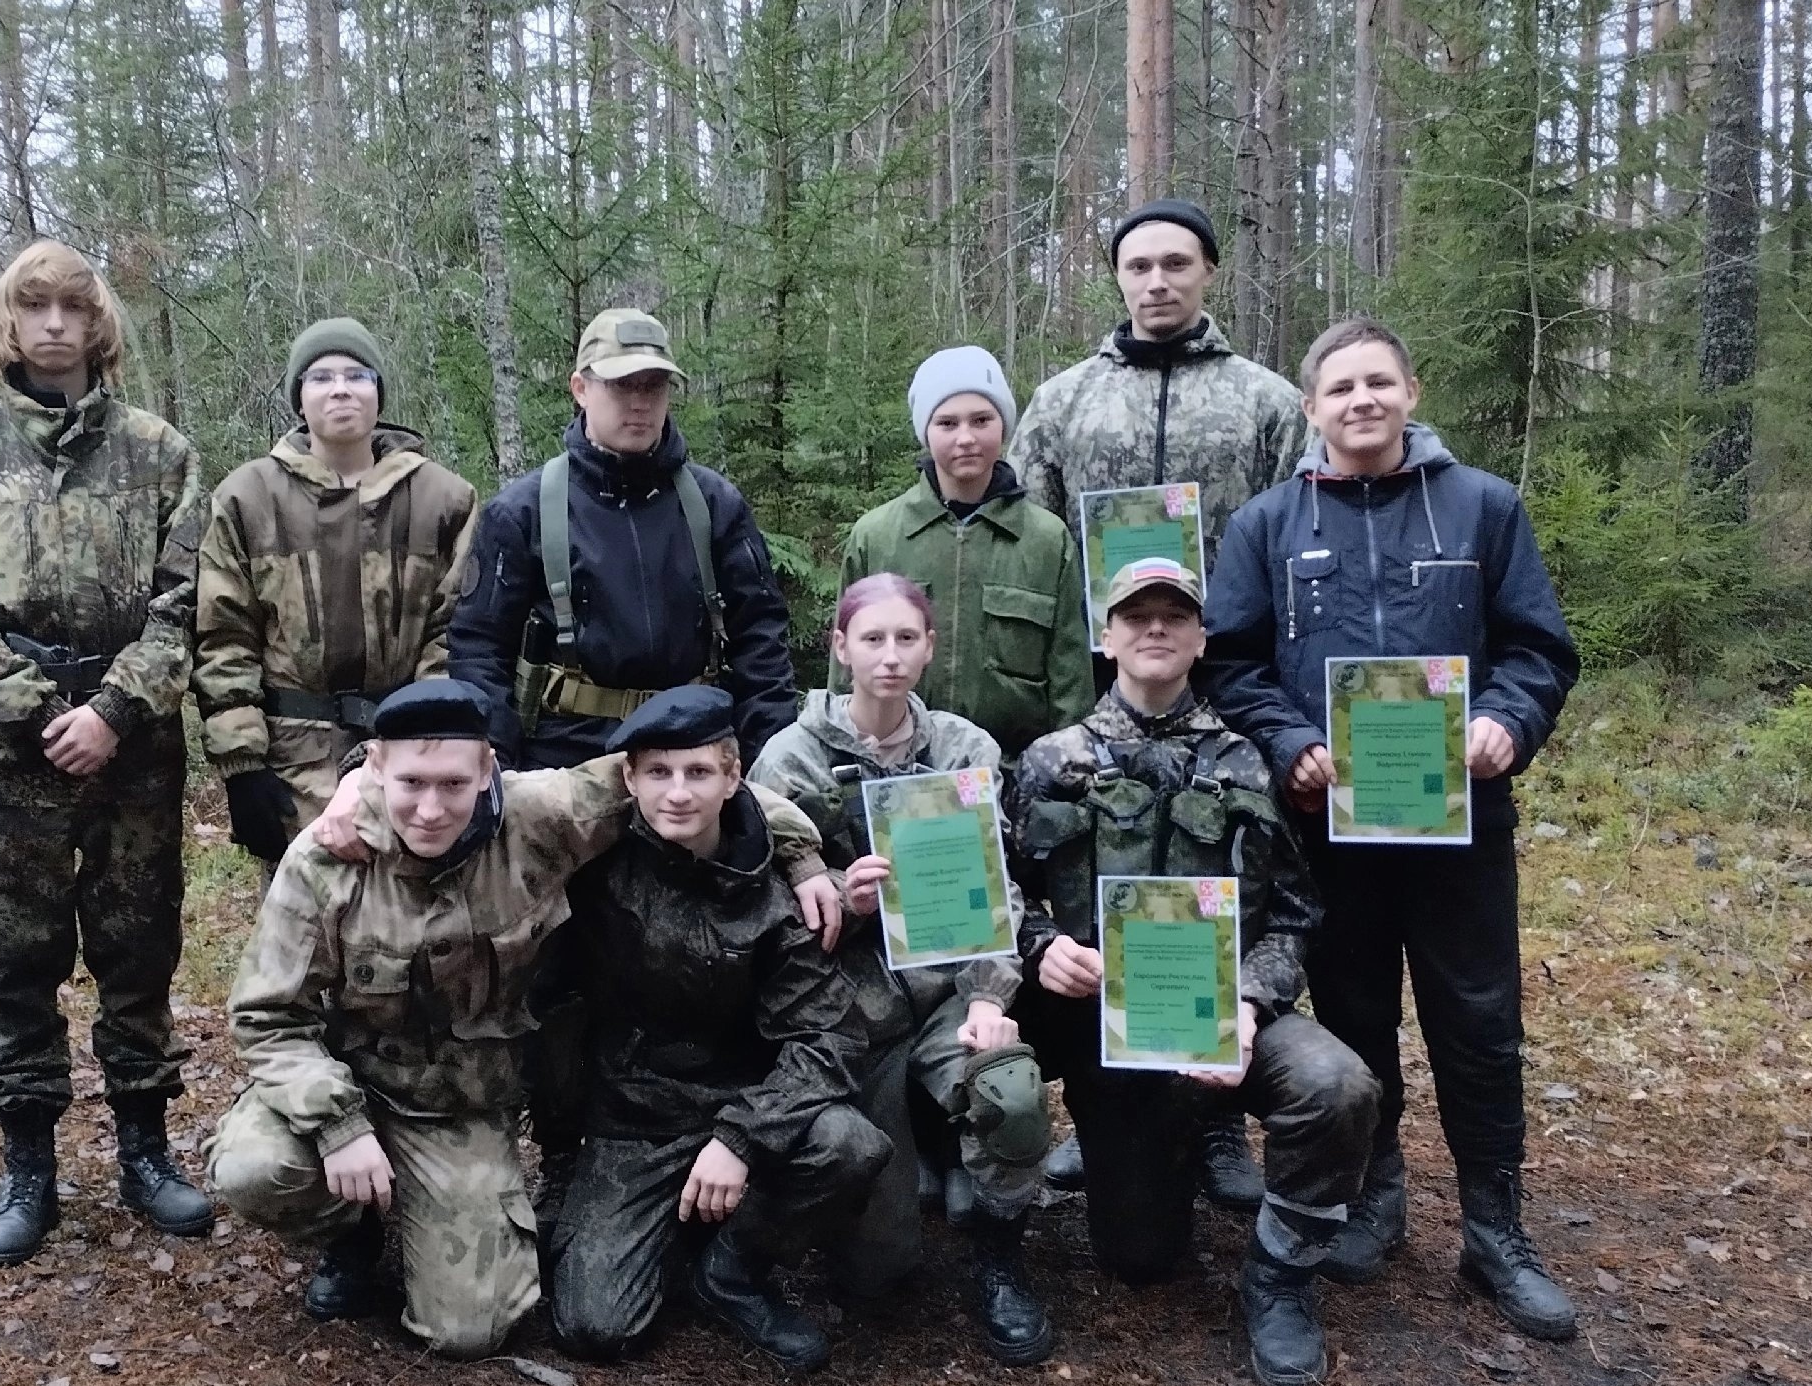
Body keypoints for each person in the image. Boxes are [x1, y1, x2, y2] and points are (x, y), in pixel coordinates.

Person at [204, 680, 842, 1360]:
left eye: (452, 782)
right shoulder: (327, 859)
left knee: (469, 1330)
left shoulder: (537, 818)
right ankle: (348, 1230)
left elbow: (682, 784)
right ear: (376, 771)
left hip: (462, 1105)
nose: (429, 807)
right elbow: (269, 1015)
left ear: (488, 771)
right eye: (411, 781)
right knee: (255, 1166)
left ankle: (420, 1200)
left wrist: (800, 855)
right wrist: (336, 1124)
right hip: (351, 1073)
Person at [1200, 315, 1582, 1342]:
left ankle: (1496, 1232)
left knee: (1478, 1022)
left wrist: (1509, 720)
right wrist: (1288, 743)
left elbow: (1538, 647)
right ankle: (1374, 1197)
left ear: (1410, 391)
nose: (1360, 401)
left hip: (1460, 823)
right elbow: (1228, 662)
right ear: (1311, 406)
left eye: (1378, 383)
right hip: (1331, 826)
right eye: (1339, 388)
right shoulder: (1268, 525)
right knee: (1356, 1015)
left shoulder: (1481, 508)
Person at [0, 237, 214, 1265]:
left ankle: (146, 1153)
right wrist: (41, 712)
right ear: (9, 321)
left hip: (135, 741)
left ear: (95, 324)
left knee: (137, 947)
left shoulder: (160, 451)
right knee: (15, 953)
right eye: (32, 307)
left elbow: (188, 599)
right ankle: (28, 1166)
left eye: (69, 308)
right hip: (11, 748)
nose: (51, 324)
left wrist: (116, 710)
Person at [1009, 557, 1379, 1386]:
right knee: (1139, 1259)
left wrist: (1250, 1002)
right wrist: (1039, 944)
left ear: (1200, 636)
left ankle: (1280, 1274)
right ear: (1106, 638)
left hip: (1220, 1014)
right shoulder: (1050, 761)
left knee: (1337, 1084)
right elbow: (1004, 892)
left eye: (1173, 615)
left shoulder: (1244, 761)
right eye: (1135, 615)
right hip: (1098, 1023)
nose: (1155, 629)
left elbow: (1294, 913)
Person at [1010, 197, 1305, 1208]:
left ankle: (1216, 1119)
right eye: (1138, 265)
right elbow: (1038, 556)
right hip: (1099, 698)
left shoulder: (1266, 403)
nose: (1157, 281)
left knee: (1217, 889)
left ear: (1208, 273)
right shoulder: (1063, 402)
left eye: (1177, 263)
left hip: (1223, 689)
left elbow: (1286, 545)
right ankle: (1104, 1111)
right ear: (1117, 277)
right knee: (1100, 898)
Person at [751, 575, 1055, 1365]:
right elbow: (757, 911)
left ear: (929, 646)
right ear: (841, 647)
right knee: (878, 1273)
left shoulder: (963, 748)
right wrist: (847, 905)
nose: (890, 657)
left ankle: (998, 1248)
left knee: (1009, 1081)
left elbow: (1000, 887)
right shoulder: (790, 757)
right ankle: (902, 1190)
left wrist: (989, 995)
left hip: (950, 981)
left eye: (907, 639)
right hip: (849, 999)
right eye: (873, 639)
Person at [546, 689, 891, 1375]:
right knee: (594, 1324)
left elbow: (831, 1037)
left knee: (848, 1144)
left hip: (738, 1105)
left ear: (734, 776)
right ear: (628, 779)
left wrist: (741, 1136)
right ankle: (641, 1229)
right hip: (629, 1122)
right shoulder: (590, 868)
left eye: (699, 772)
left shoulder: (772, 887)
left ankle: (732, 1267)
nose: (678, 793)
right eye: (658, 773)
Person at [446, 306, 798, 770]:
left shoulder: (714, 504)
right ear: (580, 388)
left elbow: (762, 642)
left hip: (693, 754)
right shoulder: (521, 511)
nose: (640, 402)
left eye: (653, 385)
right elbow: (479, 651)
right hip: (565, 758)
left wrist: (769, 762)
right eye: (621, 384)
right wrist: (499, 775)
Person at [193, 318, 479, 858]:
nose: (341, 388)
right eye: (321, 377)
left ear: (379, 395)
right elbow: (225, 636)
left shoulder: (443, 498)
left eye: (357, 374)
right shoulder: (248, 498)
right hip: (291, 757)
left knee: (411, 924)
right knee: (305, 933)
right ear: (299, 398)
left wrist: (430, 739)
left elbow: (455, 631)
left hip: (411, 760)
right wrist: (242, 766)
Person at [832, 347, 1088, 762]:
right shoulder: (876, 537)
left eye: (981, 420)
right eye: (947, 423)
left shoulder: (1046, 540)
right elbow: (844, 676)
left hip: (1016, 773)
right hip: (894, 772)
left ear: (1003, 425)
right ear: (925, 432)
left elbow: (1070, 684)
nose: (966, 438)